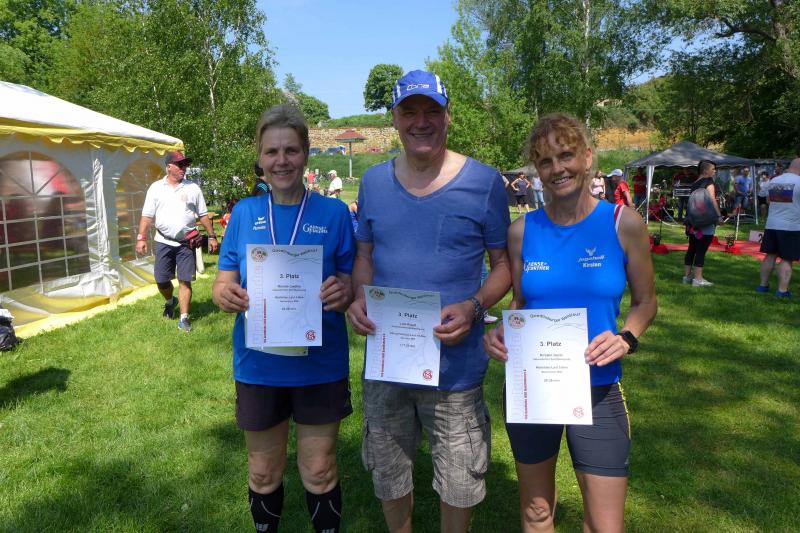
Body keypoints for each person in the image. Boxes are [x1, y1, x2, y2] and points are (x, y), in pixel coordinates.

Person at [346, 69, 511, 533]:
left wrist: (475, 307)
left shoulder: (484, 182)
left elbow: (503, 265)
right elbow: (365, 255)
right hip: (388, 360)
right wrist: (359, 298)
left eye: (431, 111)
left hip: (455, 368)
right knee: (388, 469)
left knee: (460, 477)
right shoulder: (374, 183)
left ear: (448, 116)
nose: (421, 122)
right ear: (394, 120)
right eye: (410, 112)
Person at [484, 112, 656, 532]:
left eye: (566, 155)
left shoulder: (623, 223)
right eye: (545, 161)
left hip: (598, 387)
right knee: (536, 512)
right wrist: (504, 331)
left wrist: (626, 337)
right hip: (534, 388)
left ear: (588, 157)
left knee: (604, 524)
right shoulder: (522, 231)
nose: (557, 168)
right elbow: (522, 301)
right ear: (536, 171)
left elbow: (646, 302)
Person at [212, 104, 356, 533]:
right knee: (262, 473)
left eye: (291, 150)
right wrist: (225, 295)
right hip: (259, 364)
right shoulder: (243, 213)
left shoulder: (333, 214)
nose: (281, 161)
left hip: (320, 362)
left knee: (320, 471)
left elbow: (351, 281)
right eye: (272, 151)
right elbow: (222, 282)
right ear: (260, 157)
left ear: (306, 154)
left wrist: (344, 291)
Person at [136, 151, 219, 332]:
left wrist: (212, 236)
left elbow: (203, 215)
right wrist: (141, 237)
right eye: (180, 164)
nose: (184, 168)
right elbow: (147, 216)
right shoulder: (156, 188)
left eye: (185, 164)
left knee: (184, 281)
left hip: (186, 243)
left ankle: (184, 318)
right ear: (169, 167)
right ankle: (170, 301)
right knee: (161, 280)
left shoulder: (193, 188)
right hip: (163, 241)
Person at [757, 158, 800, 298]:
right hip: (791, 226)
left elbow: (763, 196)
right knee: (787, 258)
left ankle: (762, 285)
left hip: (772, 224)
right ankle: (782, 291)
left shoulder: (774, 180)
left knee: (770, 255)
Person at [683, 160, 724, 287]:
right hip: (705, 221)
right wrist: (719, 216)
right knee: (701, 249)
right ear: (706, 170)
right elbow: (712, 199)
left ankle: (687, 277)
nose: (715, 171)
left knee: (692, 248)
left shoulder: (695, 183)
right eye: (713, 169)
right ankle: (698, 279)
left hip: (693, 221)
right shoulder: (709, 182)